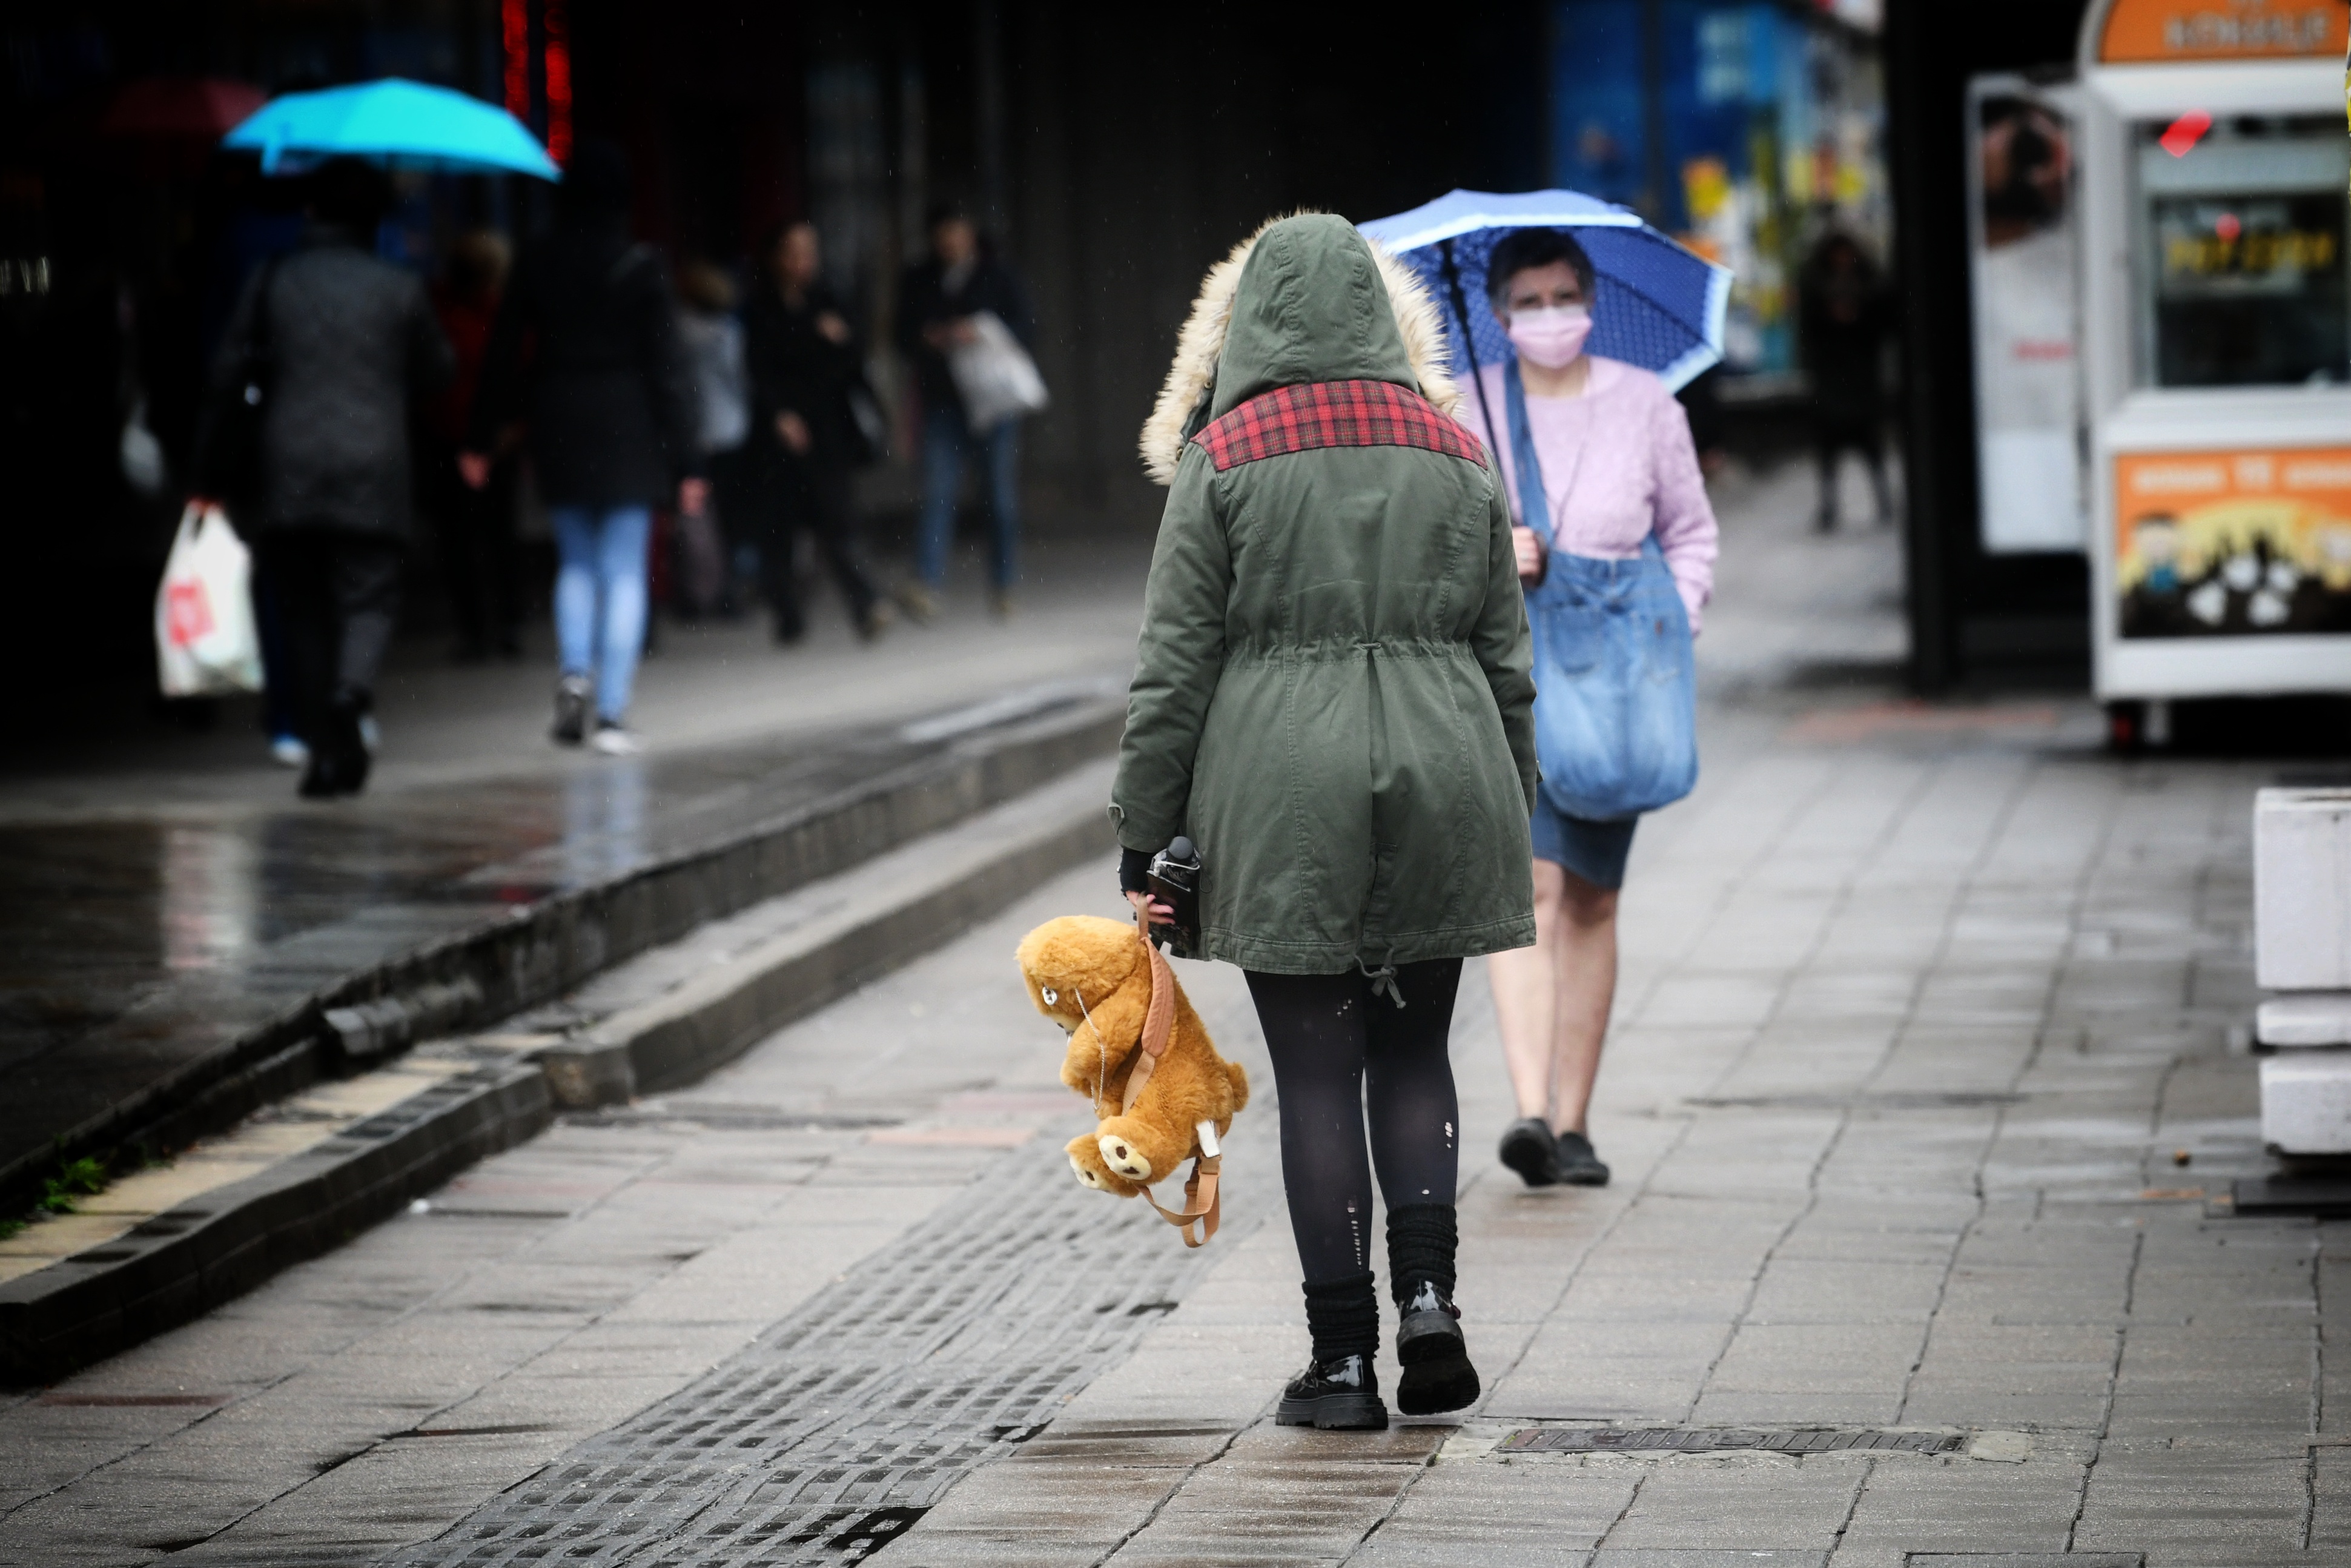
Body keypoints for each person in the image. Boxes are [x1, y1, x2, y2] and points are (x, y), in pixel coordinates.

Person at [1117, 214, 1537, 1431]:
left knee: (1316, 1074)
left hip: (1283, 788)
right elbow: (1504, 657)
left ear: (1245, 323)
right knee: (1416, 1053)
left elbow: (1173, 669)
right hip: (1446, 769)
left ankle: (1343, 1364)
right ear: (1379, 313)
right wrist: (1509, 794)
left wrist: (1146, 831)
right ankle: (1429, 1300)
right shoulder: (1455, 451)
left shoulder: (1225, 458)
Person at [1475, 227, 1718, 1190]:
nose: (1547, 317)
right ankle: (1530, 1108)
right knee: (1529, 889)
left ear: (1591, 299)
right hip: (1517, 682)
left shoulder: (1647, 404)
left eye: (1562, 296)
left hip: (1619, 681)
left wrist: (1672, 625)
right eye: (1527, 302)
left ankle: (1573, 1120)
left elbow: (1690, 534)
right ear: (1496, 314)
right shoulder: (1469, 409)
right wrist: (1502, 552)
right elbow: (1436, 544)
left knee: (1592, 897)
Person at [192, 159, 453, 798]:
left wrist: (206, 472)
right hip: (375, 461)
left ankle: (321, 754)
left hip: (289, 466)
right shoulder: (398, 286)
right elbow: (438, 372)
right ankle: (351, 693)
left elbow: (226, 375)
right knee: (368, 597)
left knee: (303, 611)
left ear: (310, 213)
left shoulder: (273, 278)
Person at [465, 139, 706, 756]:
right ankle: (614, 714)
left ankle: (575, 672)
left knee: (574, 560)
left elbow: (502, 352)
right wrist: (688, 459)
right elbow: (671, 369)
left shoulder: (538, 260)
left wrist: (480, 436)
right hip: (630, 420)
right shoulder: (644, 265)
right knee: (623, 568)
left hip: (560, 418)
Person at [744, 222, 888, 642]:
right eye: (794, 252)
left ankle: (866, 606)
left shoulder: (829, 300)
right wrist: (780, 414)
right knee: (779, 531)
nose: (803, 262)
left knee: (839, 522)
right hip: (779, 434)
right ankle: (787, 614)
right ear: (775, 258)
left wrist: (841, 337)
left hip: (828, 431)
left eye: (809, 252)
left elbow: (856, 359)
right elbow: (757, 370)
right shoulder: (760, 308)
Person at [894, 201, 1034, 620]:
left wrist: (980, 330)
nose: (949, 242)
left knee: (998, 496)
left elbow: (1029, 326)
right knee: (938, 491)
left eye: (956, 231)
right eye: (942, 234)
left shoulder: (998, 274)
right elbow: (901, 334)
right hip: (944, 401)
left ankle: (1004, 584)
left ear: (971, 233)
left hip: (992, 402)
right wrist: (930, 338)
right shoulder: (919, 279)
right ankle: (927, 582)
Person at [428, 230, 521, 662]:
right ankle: (494, 626)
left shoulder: (452, 308)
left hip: (469, 434)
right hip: (466, 434)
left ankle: (492, 626)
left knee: (475, 536)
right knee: (484, 535)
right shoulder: (446, 307)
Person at [1797, 231, 1893, 531]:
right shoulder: (1816, 285)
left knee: (1872, 448)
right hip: (1830, 380)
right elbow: (1808, 331)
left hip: (1861, 377)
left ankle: (1884, 502)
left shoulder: (1869, 283)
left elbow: (1885, 322)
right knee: (1829, 453)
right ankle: (1830, 507)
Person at [674, 260, 749, 620]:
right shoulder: (728, 334)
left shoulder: (675, 334)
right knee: (729, 520)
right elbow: (739, 382)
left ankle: (695, 592)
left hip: (692, 435)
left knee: (695, 518)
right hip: (729, 431)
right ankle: (727, 593)